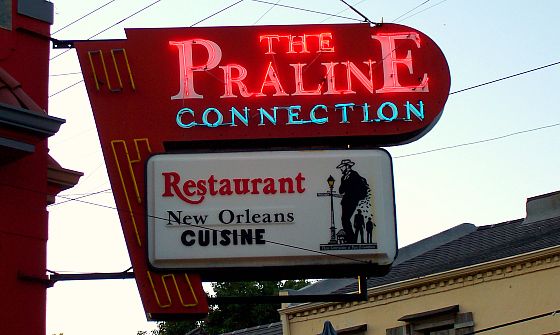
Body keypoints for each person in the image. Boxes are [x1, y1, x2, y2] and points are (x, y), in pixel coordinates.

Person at [337, 159, 369, 244]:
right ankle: (351, 238)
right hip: (345, 201)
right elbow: (341, 190)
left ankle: (351, 238)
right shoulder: (343, 177)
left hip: (352, 200)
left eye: (342, 167)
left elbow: (356, 188)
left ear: (347, 166)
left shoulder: (354, 175)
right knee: (344, 219)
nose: (341, 169)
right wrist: (344, 181)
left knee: (345, 219)